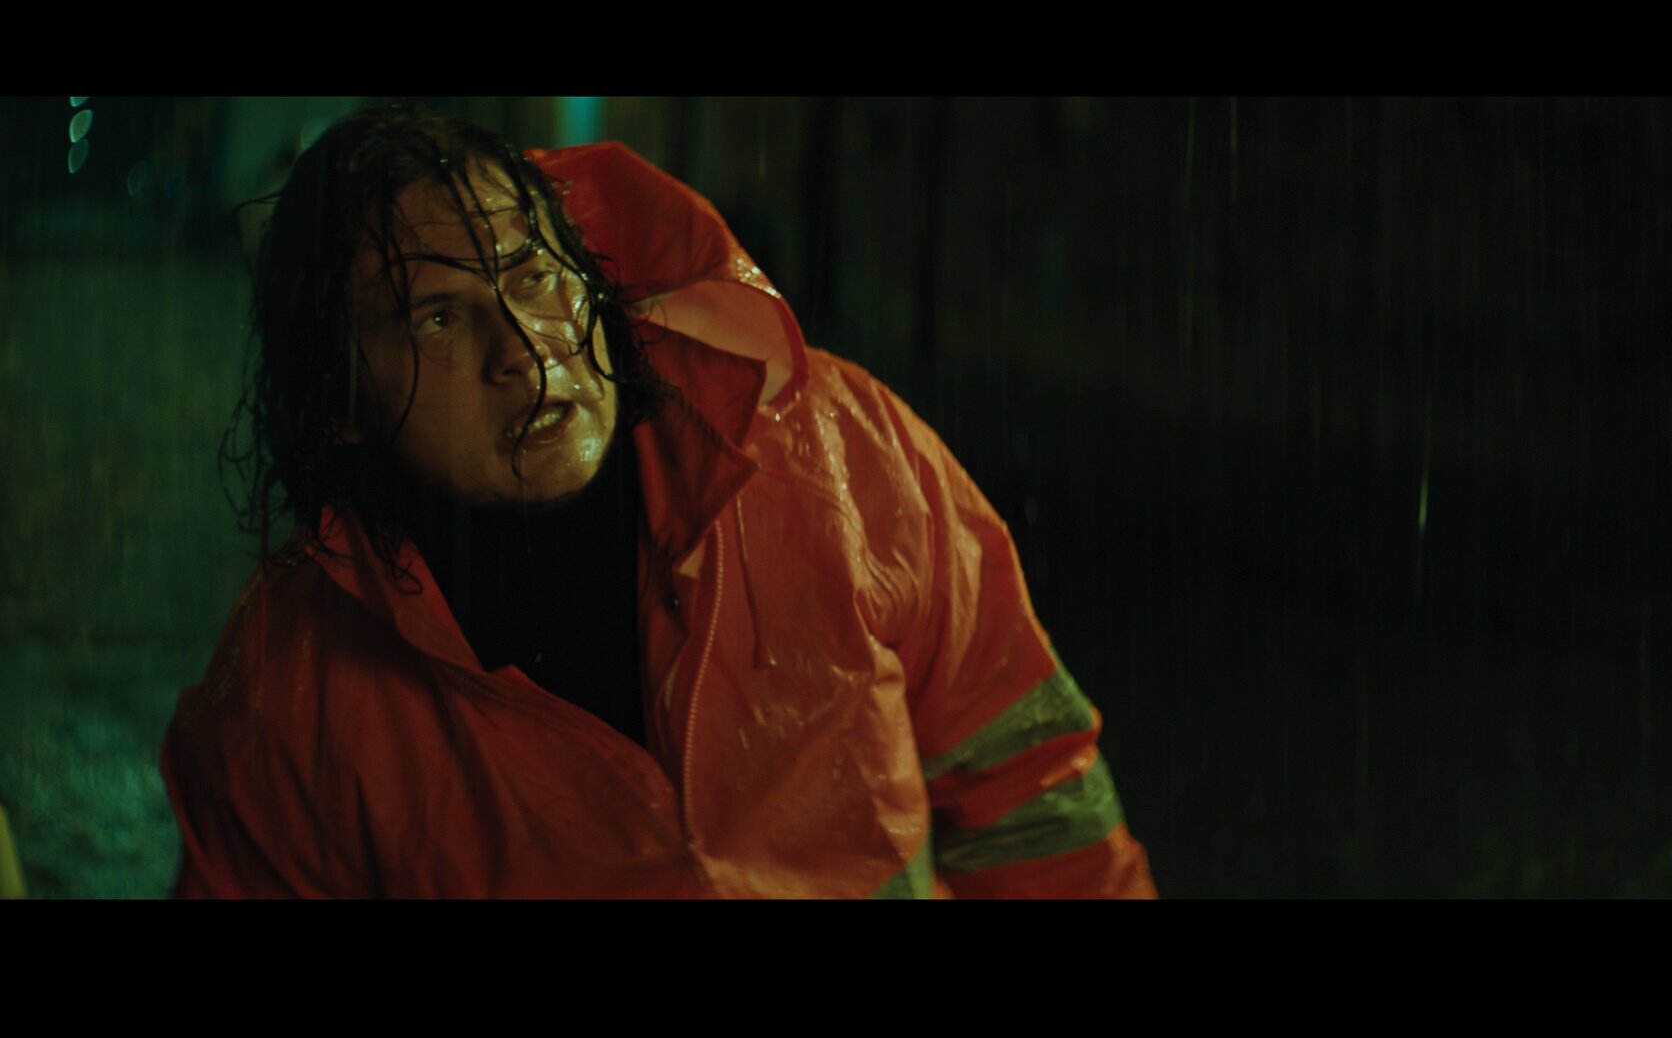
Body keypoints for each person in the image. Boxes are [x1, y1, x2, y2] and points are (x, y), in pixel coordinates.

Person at [161, 104, 1156, 898]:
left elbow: (1030, 794)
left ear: (590, 277)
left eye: (533, 274)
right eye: (437, 319)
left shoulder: (839, 456)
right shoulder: (287, 695)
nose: (525, 351)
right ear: (340, 403)